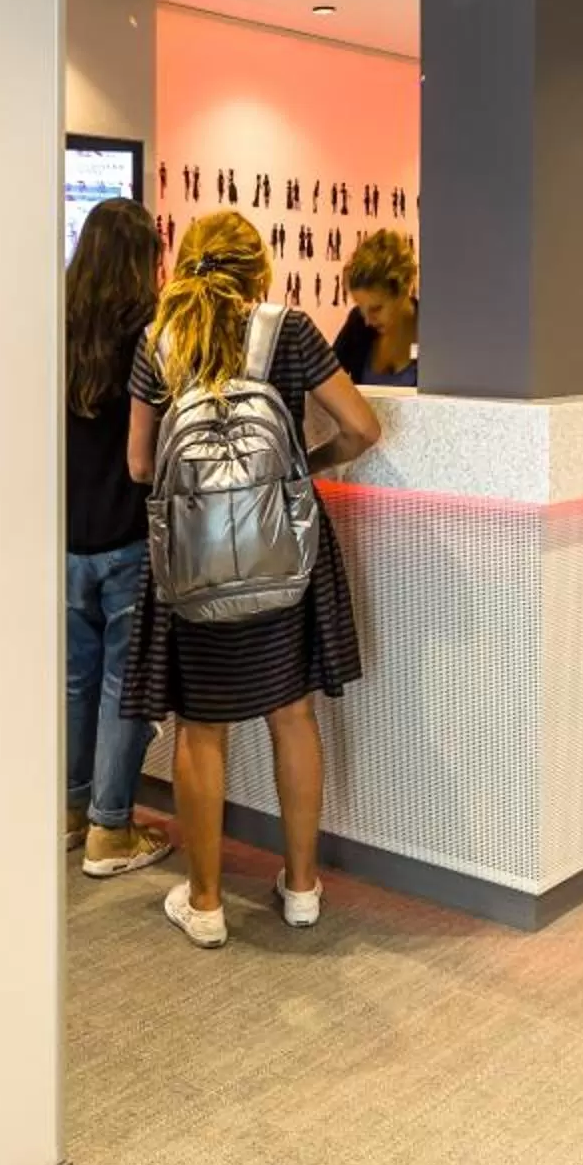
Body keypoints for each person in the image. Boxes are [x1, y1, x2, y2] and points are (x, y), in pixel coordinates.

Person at [125, 210, 383, 947]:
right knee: (292, 714)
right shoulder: (289, 332)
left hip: (191, 567)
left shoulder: (157, 342)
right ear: (256, 269)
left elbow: (142, 467)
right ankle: (301, 888)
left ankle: (204, 903)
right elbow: (364, 427)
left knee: (200, 729)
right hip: (283, 555)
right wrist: (303, 469)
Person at [64, 200, 174, 879]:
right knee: (120, 687)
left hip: (65, 538)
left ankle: (70, 814)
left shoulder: (59, 329)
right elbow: (147, 453)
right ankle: (111, 829)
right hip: (128, 534)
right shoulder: (149, 337)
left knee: (74, 683)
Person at [332, 228, 420, 387]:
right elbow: (327, 379)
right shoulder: (357, 324)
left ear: (402, 291)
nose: (367, 321)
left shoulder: (434, 334)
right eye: (361, 308)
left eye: (376, 309)